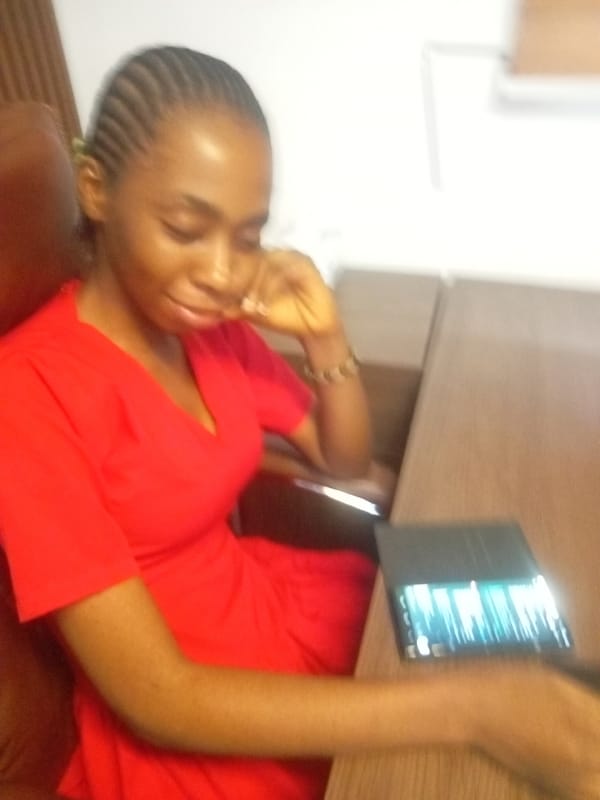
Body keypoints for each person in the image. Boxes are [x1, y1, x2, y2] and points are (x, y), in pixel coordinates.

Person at [0, 45, 599, 800]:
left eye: (247, 238)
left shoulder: (208, 329)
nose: (222, 272)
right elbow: (158, 696)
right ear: (95, 189)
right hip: (195, 710)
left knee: (548, 654)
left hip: (273, 608)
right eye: (186, 229)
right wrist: (474, 712)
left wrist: (325, 338)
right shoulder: (25, 396)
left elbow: (340, 459)